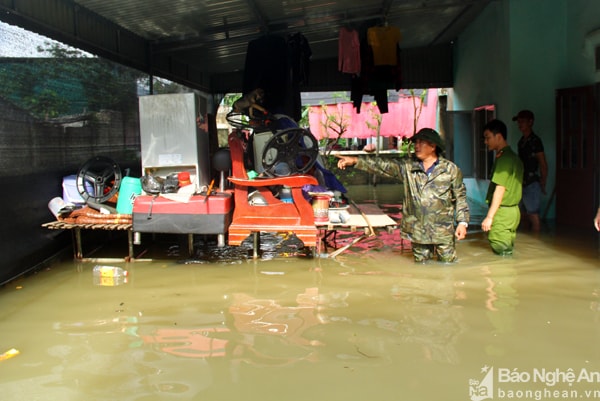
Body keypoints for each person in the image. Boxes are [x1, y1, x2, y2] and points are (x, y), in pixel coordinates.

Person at [336, 128, 470, 263]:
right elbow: (383, 166)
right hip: (418, 231)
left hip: (443, 230)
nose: (416, 146)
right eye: (415, 142)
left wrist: (462, 223)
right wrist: (355, 160)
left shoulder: (450, 170)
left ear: (433, 146)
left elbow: (460, 197)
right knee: (421, 268)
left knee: (448, 266)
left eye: (421, 142)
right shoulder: (408, 167)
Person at [482, 119, 524, 256]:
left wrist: (489, 217)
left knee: (500, 250)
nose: (485, 142)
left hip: (503, 212)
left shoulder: (505, 159)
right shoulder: (512, 157)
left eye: (488, 137)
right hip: (513, 212)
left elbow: (500, 189)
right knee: (506, 251)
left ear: (498, 136)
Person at [513, 110, 548, 232]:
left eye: (522, 121)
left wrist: (543, 182)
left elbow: (543, 164)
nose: (520, 124)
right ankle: (527, 243)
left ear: (530, 122)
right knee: (523, 215)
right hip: (521, 182)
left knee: (533, 215)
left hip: (532, 182)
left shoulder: (535, 141)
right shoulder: (521, 142)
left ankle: (536, 243)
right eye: (518, 122)